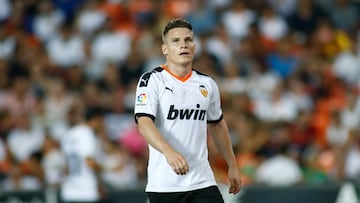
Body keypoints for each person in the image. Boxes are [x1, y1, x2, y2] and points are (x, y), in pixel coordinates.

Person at [134, 18, 242, 203]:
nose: (183, 45)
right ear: (165, 49)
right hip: (165, 185)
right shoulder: (152, 80)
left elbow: (217, 124)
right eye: (175, 41)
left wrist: (232, 163)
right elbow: (144, 123)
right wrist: (168, 151)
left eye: (188, 40)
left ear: (194, 46)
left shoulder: (207, 84)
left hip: (202, 182)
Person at [60, 105, 105, 203]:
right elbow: (89, 162)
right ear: (97, 119)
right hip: (86, 191)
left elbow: (66, 166)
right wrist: (108, 169)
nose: (103, 124)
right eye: (102, 120)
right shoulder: (87, 134)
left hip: (69, 191)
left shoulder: (70, 133)